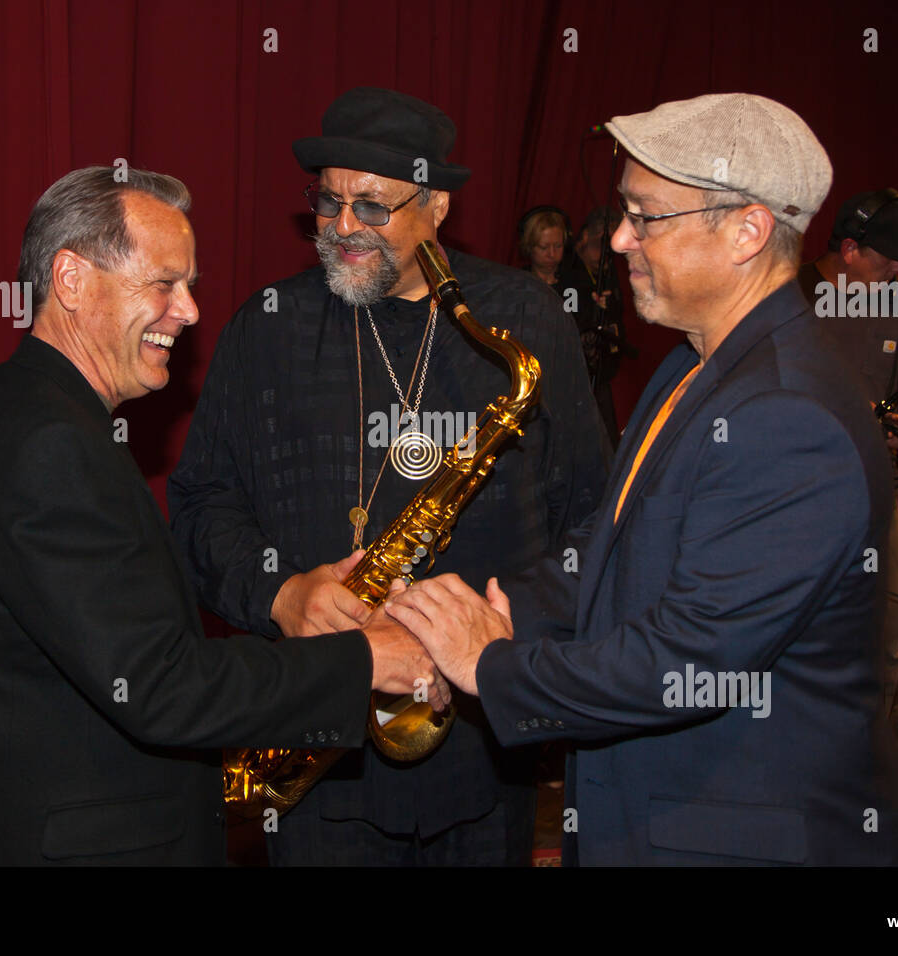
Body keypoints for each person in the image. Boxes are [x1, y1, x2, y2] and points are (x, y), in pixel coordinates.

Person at [385, 93, 898, 866]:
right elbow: (610, 552)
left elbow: (689, 661)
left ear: (748, 230)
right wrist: (491, 615)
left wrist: (490, 666)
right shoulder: (695, 359)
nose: (618, 239)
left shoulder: (787, 416)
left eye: (647, 216)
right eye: (623, 213)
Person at [0, 166, 445, 866]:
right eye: (164, 284)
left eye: (188, 285)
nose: (189, 310)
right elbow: (160, 685)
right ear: (70, 280)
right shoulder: (50, 446)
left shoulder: (33, 414)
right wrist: (362, 658)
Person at [168, 87, 611, 865]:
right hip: (317, 749)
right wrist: (280, 592)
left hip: (482, 748)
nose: (342, 227)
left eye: (372, 206)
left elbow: (594, 521)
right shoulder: (267, 327)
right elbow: (202, 505)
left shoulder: (525, 320)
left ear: (437, 204)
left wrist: (503, 632)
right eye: (328, 201)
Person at [799, 189, 898, 713]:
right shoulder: (787, 298)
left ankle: (866, 760)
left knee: (882, 646)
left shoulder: (897, 303)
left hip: (878, 500)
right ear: (851, 250)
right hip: (799, 507)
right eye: (891, 258)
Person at [560, 206, 628, 447]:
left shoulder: (607, 269)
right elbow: (568, 320)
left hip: (600, 371)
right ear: (586, 236)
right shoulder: (567, 270)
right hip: (572, 373)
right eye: (602, 244)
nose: (606, 254)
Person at [517, 206, 571, 290]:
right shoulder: (517, 284)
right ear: (528, 246)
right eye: (544, 247)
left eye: (558, 246)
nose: (552, 254)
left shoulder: (578, 282)